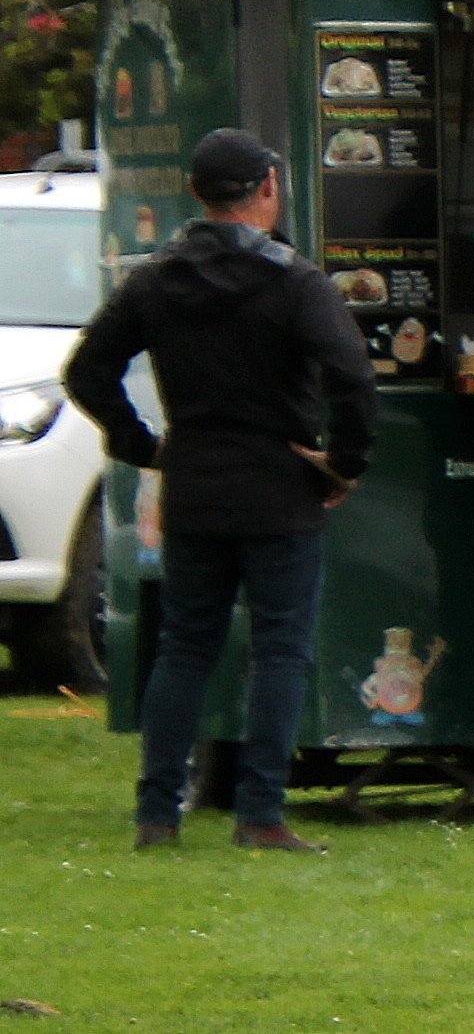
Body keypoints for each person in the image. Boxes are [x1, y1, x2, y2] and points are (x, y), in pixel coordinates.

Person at [65, 129, 375, 852]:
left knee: (184, 648)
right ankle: (260, 813)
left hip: (195, 483)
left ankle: (157, 814)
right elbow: (353, 376)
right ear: (269, 187)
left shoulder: (155, 281)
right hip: (281, 484)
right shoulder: (295, 281)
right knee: (280, 650)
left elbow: (87, 373)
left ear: (196, 193)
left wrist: (143, 446)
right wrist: (344, 463)